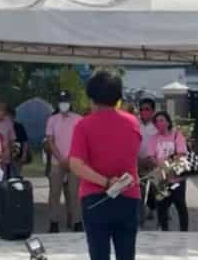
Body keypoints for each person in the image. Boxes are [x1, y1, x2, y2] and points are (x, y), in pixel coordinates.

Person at [69, 71, 142, 260]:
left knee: (99, 254)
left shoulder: (83, 126)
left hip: (95, 198)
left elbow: (76, 164)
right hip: (128, 195)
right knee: (126, 254)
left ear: (91, 96)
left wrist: (106, 182)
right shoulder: (133, 122)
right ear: (118, 96)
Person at [144, 111, 190, 232]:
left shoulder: (177, 136)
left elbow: (181, 154)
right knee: (162, 206)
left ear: (168, 122)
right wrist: (161, 166)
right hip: (161, 179)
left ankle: (184, 231)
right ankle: (164, 231)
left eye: (161, 120)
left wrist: (167, 166)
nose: (159, 123)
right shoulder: (154, 139)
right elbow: (150, 156)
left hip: (177, 179)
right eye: (156, 121)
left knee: (180, 204)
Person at [45, 90, 83, 233]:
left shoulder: (79, 119)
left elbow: (80, 141)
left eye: (66, 101)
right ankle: (54, 222)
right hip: (57, 161)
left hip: (74, 161)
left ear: (70, 102)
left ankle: (77, 222)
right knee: (54, 192)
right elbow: (50, 142)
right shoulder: (52, 120)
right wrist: (61, 159)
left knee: (75, 192)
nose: (64, 104)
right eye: (61, 101)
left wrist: (70, 159)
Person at [136, 98, 158, 226]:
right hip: (138, 162)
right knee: (140, 190)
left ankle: (155, 210)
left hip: (153, 163)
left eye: (147, 109)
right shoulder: (135, 124)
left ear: (153, 111)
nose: (144, 112)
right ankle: (140, 219)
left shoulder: (157, 126)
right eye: (142, 109)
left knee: (154, 189)